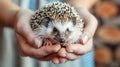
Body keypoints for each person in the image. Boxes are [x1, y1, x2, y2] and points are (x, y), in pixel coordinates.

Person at [0, 0, 98, 65]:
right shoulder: (40, 25)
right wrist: (14, 15)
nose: (62, 38)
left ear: (73, 24)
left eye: (67, 31)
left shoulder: (75, 25)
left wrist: (79, 6)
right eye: (55, 31)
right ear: (45, 24)